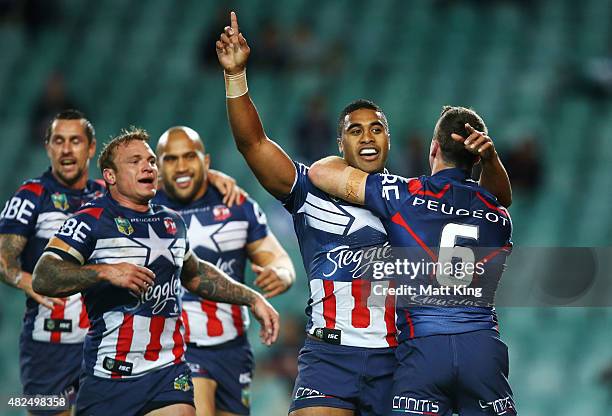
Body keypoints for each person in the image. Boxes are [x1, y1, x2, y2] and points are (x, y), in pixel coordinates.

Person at [216, 12, 512, 416]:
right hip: (329, 354)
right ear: (340, 142)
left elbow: (491, 202)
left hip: (399, 358)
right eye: (355, 130)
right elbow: (253, 143)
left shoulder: (414, 200)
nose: (367, 136)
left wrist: (488, 159)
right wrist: (236, 77)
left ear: (389, 140)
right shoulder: (308, 191)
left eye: (376, 128)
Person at [31, 128, 279, 416]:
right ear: (110, 176)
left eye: (150, 160)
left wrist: (253, 299)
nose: (147, 166)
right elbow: (44, 276)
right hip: (109, 377)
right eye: (134, 161)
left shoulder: (171, 222)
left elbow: (196, 274)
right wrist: (104, 272)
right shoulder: (89, 220)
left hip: (167, 372)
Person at [308, 106, 516, 415]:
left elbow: (319, 172)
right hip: (482, 349)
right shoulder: (499, 218)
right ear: (476, 158)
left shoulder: (404, 196)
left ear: (434, 148)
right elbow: (500, 197)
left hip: (423, 351)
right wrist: (491, 159)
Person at [154, 126, 296, 416]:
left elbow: (277, 258)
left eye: (189, 157)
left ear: (205, 162)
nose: (181, 166)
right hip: (180, 345)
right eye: (170, 159)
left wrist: (281, 274)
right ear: (157, 167)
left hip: (234, 348)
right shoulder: (145, 210)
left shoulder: (237, 204)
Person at [0, 109, 103, 416]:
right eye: (59, 141)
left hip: (101, 345)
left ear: (91, 147)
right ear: (48, 147)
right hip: (48, 347)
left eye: (75, 140)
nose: (67, 149)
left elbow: (159, 191)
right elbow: (2, 256)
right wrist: (23, 279)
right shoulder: (32, 195)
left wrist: (214, 177)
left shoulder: (105, 196)